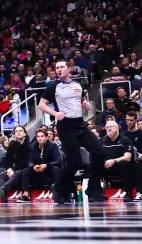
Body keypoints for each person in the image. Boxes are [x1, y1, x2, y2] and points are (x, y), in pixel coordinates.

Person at [38, 60, 105, 202]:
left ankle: (93, 188)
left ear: (69, 69)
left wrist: (85, 104)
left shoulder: (77, 85)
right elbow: (42, 105)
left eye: (62, 67)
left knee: (99, 152)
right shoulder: (53, 86)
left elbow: (81, 99)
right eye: (57, 68)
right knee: (75, 162)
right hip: (65, 126)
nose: (59, 69)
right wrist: (55, 114)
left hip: (80, 124)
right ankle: (59, 187)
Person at [100, 120, 134, 202]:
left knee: (126, 164)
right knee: (94, 165)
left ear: (117, 129)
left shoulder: (124, 140)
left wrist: (114, 161)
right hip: (106, 166)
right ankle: (97, 192)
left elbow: (128, 157)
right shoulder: (103, 141)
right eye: (107, 127)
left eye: (111, 127)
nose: (109, 129)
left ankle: (128, 192)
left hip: (119, 165)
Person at [0, 125, 31, 202]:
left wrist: (13, 169)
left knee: (18, 173)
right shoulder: (12, 145)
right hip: (15, 169)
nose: (18, 133)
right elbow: (8, 159)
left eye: (20, 131)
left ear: (25, 133)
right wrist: (9, 169)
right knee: (2, 174)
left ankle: (2, 189)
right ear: (14, 134)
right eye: (16, 131)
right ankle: (3, 197)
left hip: (25, 169)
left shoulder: (29, 145)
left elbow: (25, 162)